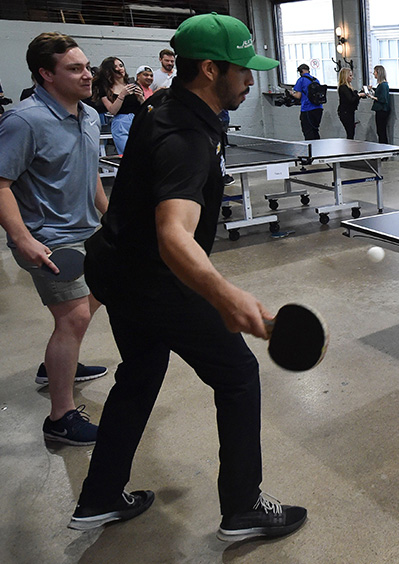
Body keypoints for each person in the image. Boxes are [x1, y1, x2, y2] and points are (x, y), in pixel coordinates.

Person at [68, 13, 307, 542]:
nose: (251, 79)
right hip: (155, 278)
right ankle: (244, 506)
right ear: (208, 69)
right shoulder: (185, 136)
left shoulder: (169, 107)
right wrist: (226, 295)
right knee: (239, 376)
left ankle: (100, 495)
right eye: (243, 69)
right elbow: (174, 235)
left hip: (117, 270)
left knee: (140, 373)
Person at [0, 32, 109, 446]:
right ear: (46, 74)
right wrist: (22, 238)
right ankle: (60, 417)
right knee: (74, 316)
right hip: (48, 237)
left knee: (102, 289)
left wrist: (108, 215)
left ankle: (59, 363)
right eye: (75, 69)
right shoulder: (24, 121)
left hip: (86, 230)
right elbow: (1, 184)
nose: (87, 75)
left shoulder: (90, 115)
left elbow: (90, 172)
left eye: (87, 66)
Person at [92, 56, 143, 154]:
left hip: (138, 121)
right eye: (116, 67)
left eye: (121, 65)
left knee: (142, 154)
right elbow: (112, 110)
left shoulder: (133, 84)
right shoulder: (105, 88)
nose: (120, 69)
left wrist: (141, 98)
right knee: (127, 154)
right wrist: (122, 95)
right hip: (121, 122)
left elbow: (143, 107)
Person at [291, 63, 323, 140]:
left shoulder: (301, 80)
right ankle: (318, 148)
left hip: (307, 109)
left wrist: (291, 93)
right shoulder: (316, 80)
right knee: (315, 130)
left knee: (308, 131)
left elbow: (298, 96)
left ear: (301, 71)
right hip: (318, 108)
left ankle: (310, 149)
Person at [337, 67, 366, 139]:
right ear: (345, 76)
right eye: (350, 76)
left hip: (349, 111)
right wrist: (359, 95)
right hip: (345, 112)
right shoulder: (343, 87)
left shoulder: (348, 87)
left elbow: (354, 96)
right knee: (350, 132)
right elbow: (351, 99)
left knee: (351, 131)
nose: (352, 77)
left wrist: (361, 92)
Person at [368, 65, 390, 144]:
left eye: (375, 72)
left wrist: (371, 97)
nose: (374, 74)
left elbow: (382, 99)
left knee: (381, 131)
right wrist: (372, 91)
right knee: (380, 131)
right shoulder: (382, 85)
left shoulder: (383, 85)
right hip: (381, 110)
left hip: (382, 110)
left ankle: (384, 149)